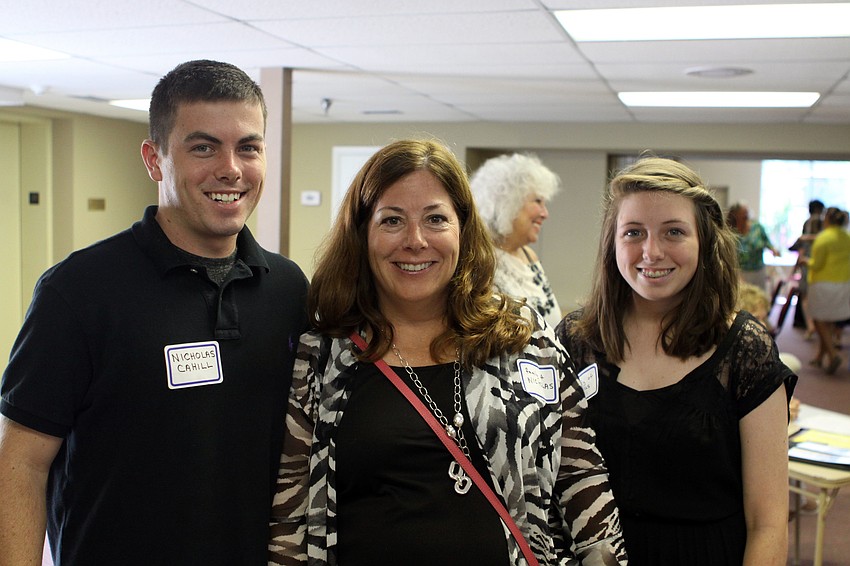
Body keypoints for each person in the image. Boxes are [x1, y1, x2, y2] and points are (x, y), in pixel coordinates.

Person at [0, 60, 309, 565]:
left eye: (248, 147)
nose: (230, 168)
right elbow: (21, 465)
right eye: (203, 146)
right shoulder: (78, 292)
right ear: (154, 158)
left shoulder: (288, 289)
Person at [268, 139, 627, 565]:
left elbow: (581, 476)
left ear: (463, 227)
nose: (416, 241)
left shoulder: (525, 343)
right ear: (363, 234)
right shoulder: (324, 356)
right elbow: (291, 515)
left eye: (436, 218)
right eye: (392, 220)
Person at [556, 157, 796, 565]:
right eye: (634, 232)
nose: (651, 251)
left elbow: (768, 523)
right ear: (611, 244)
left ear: (703, 243)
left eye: (674, 232)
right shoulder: (577, 339)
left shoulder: (744, 349)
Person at [469, 153, 563, 328]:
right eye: (538, 201)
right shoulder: (480, 262)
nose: (545, 213)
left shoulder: (529, 256)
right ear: (508, 202)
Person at [799, 207, 850, 374]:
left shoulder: (823, 238)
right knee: (828, 321)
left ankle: (833, 355)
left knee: (819, 320)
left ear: (827, 219)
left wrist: (806, 261)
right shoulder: (847, 237)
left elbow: (818, 264)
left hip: (823, 285)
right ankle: (821, 356)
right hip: (843, 284)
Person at [727, 201, 780, 291]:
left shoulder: (757, 227)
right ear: (736, 216)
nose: (746, 216)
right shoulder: (731, 231)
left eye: (747, 213)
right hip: (741, 273)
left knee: (759, 297)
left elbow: (767, 242)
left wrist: (773, 250)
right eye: (743, 214)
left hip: (758, 270)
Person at [792, 199, 825, 339]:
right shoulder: (823, 223)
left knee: (805, 295)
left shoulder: (808, 223)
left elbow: (802, 247)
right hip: (819, 263)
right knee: (815, 295)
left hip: (808, 262)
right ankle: (815, 325)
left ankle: (811, 325)